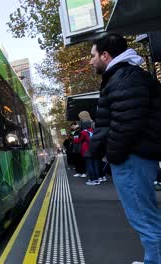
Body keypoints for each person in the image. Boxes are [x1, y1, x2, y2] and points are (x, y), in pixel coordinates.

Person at [89, 33, 161, 264]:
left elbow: (127, 124)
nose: (91, 61)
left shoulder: (124, 78)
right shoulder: (128, 75)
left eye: (93, 56)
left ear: (105, 55)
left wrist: (112, 154)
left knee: (143, 218)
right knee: (145, 216)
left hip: (131, 158)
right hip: (136, 156)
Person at [74, 111, 104, 186]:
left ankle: (92, 180)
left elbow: (77, 141)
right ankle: (97, 179)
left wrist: (75, 137)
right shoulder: (93, 131)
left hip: (87, 151)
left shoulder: (83, 132)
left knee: (89, 165)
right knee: (95, 165)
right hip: (95, 149)